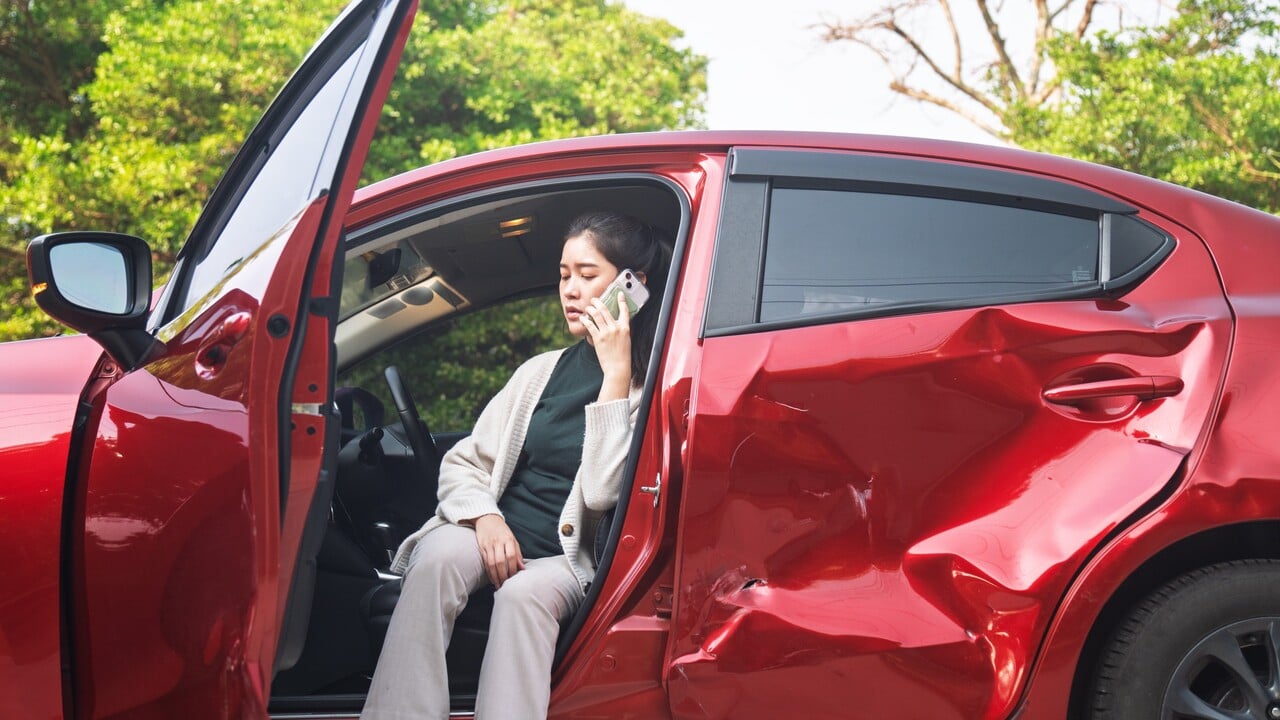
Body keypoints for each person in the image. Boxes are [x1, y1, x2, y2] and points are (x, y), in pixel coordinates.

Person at [360, 210, 668, 720]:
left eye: (588, 275)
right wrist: (485, 517)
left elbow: (601, 493)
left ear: (633, 285)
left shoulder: (651, 387)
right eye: (564, 275)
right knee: (435, 557)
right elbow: (464, 461)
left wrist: (615, 374)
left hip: (570, 562)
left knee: (524, 594)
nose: (569, 290)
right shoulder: (539, 372)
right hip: (497, 532)